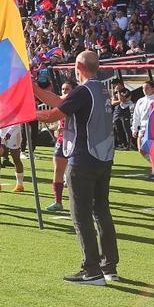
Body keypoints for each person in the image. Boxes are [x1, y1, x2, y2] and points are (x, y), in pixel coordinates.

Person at [36, 51, 119, 285]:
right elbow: (62, 104)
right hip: (103, 159)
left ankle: (91, 270)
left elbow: (53, 114)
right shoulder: (100, 89)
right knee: (102, 212)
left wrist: (26, 112)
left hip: (83, 160)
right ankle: (109, 266)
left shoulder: (84, 91)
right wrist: (34, 89)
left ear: (79, 66)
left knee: (81, 216)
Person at [45, 81, 73, 212]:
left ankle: (81, 201)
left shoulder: (77, 102)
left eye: (67, 89)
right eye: (62, 89)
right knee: (57, 170)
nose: (64, 92)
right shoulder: (60, 103)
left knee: (75, 174)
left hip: (75, 141)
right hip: (62, 140)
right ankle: (58, 201)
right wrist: (57, 128)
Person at [132, 80, 154, 181]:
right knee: (141, 150)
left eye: (147, 88)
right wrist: (134, 128)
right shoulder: (140, 101)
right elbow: (136, 116)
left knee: (153, 151)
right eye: (143, 88)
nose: (144, 90)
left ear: (153, 89)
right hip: (143, 129)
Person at [0, 125, 25, 193]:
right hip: (0, 133)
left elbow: (17, 121)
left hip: (14, 133)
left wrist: (9, 133)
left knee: (16, 158)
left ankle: (20, 185)